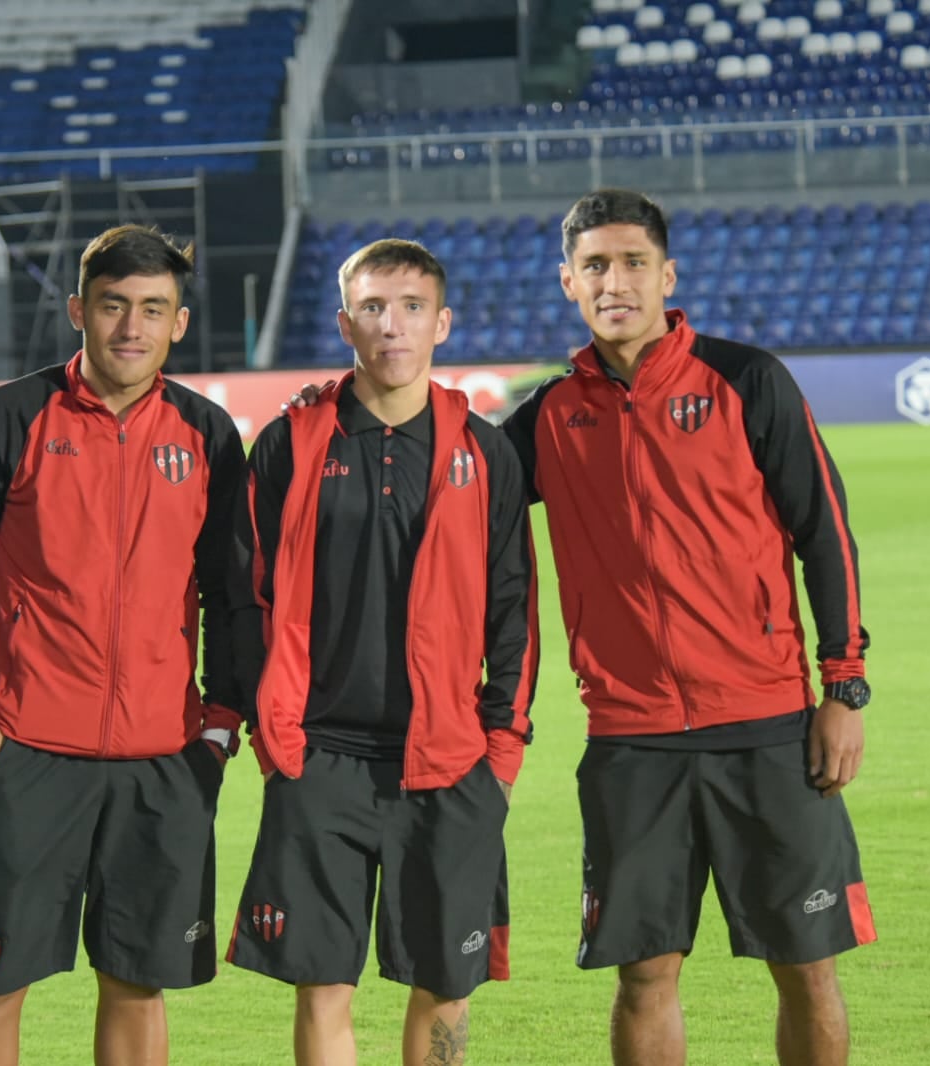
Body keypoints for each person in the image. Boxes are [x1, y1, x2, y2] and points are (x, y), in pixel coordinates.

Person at [503, 188, 875, 1066]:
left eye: (633, 262)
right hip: (631, 740)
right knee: (642, 975)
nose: (614, 280)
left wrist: (843, 687)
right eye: (594, 265)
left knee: (806, 966)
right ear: (568, 282)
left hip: (769, 726)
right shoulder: (549, 417)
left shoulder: (746, 379)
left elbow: (824, 531)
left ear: (666, 276)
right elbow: (446, 474)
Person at [0, 224, 246, 1066]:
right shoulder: (5, 417)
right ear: (78, 311)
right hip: (24, 751)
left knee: (138, 986)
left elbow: (235, 592)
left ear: (177, 322)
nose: (130, 327)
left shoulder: (207, 434)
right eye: (112, 307)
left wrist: (217, 726)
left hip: (164, 760)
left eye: (151, 309)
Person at [227, 238, 540, 1066]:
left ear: (442, 323)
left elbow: (515, 608)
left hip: (448, 760)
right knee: (323, 983)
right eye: (372, 308)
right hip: (317, 757)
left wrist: (501, 747)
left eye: (409, 308)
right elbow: (244, 599)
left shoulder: (485, 450)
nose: (390, 326)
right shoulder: (290, 443)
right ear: (345, 323)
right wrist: (272, 738)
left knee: (443, 986)